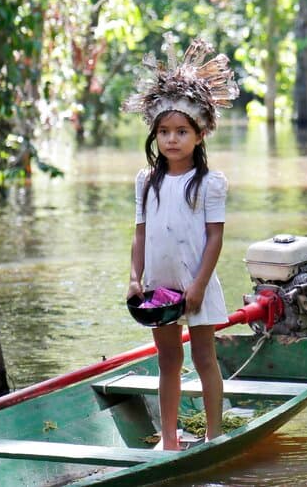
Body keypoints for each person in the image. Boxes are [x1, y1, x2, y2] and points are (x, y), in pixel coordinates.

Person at [122, 35, 239, 451]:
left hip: (195, 282)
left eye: (182, 131)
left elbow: (214, 237)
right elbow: (140, 233)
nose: (172, 140)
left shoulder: (209, 183)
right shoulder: (145, 181)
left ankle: (214, 433)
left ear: (200, 134)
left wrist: (200, 285)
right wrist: (135, 279)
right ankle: (168, 439)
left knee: (205, 358)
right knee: (168, 360)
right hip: (159, 286)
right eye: (165, 132)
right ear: (155, 135)